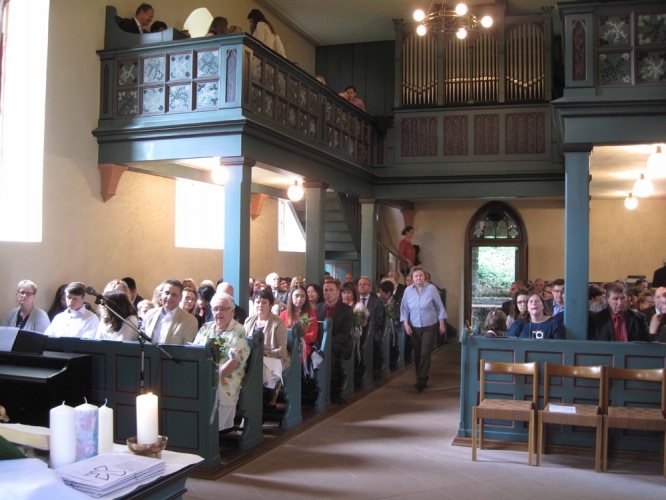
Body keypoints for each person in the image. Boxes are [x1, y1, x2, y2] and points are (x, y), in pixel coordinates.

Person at [193, 293, 250, 431]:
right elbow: (194, 351)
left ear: (232, 311)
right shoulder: (206, 327)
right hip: (203, 374)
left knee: (218, 388)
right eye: (215, 309)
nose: (219, 312)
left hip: (227, 375)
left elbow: (235, 361)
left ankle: (210, 431)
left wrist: (213, 377)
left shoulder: (238, 330)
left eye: (223, 309)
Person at [400, 266, 447, 392]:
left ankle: (421, 380)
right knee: (417, 353)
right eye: (416, 276)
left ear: (424, 277)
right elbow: (404, 308)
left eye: (421, 275)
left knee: (425, 352)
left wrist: (442, 323)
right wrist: (406, 324)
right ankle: (421, 376)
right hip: (414, 326)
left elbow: (440, 307)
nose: (418, 278)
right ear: (411, 278)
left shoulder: (431, 289)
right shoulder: (408, 291)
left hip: (430, 325)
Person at [244, 288, 290, 409]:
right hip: (251, 356)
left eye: (264, 302)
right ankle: (246, 399)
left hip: (274, 358)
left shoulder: (278, 322)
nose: (260, 305)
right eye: (257, 302)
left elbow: (282, 350)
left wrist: (263, 353)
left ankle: (268, 399)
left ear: (270, 304)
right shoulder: (249, 321)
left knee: (259, 365)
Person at [315, 280, 353, 404]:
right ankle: (314, 385)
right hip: (321, 342)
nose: (328, 293)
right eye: (326, 290)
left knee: (328, 350)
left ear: (338, 293)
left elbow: (345, 333)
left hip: (340, 343)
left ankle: (332, 390)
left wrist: (327, 342)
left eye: (331, 290)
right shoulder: (318, 307)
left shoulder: (346, 309)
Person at [142, 280, 198, 344]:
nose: (169, 297)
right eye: (167, 293)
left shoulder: (190, 321)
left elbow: (187, 350)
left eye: (174, 295)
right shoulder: (150, 314)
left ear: (180, 298)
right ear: (161, 295)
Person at [280, 285, 318, 371]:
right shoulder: (283, 314)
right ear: (291, 297)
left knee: (297, 354)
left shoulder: (311, 313)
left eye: (302, 296)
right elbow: (280, 333)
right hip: (287, 345)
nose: (299, 299)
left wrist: (299, 337)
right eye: (296, 295)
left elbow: (313, 334)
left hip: (303, 345)